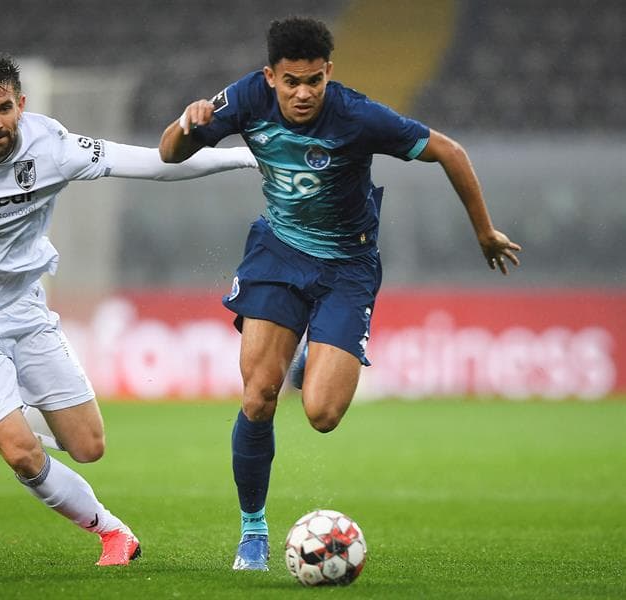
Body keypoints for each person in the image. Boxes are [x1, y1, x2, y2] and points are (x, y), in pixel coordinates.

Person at [159, 17, 522, 571]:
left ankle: (313, 351)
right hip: (279, 254)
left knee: (323, 414)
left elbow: (449, 150)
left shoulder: (358, 116)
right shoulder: (246, 99)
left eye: (314, 80)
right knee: (259, 395)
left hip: (348, 266)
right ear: (271, 77)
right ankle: (253, 532)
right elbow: (169, 153)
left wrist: (484, 231)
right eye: (291, 82)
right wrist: (187, 123)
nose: (303, 93)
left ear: (328, 71)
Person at [0, 54, 257, 566]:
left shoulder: (52, 148)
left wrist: (245, 158)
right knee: (20, 451)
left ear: (21, 105)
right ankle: (112, 532)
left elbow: (154, 163)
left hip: (24, 311)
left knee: (88, 446)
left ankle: (7, 410)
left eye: (4, 108)